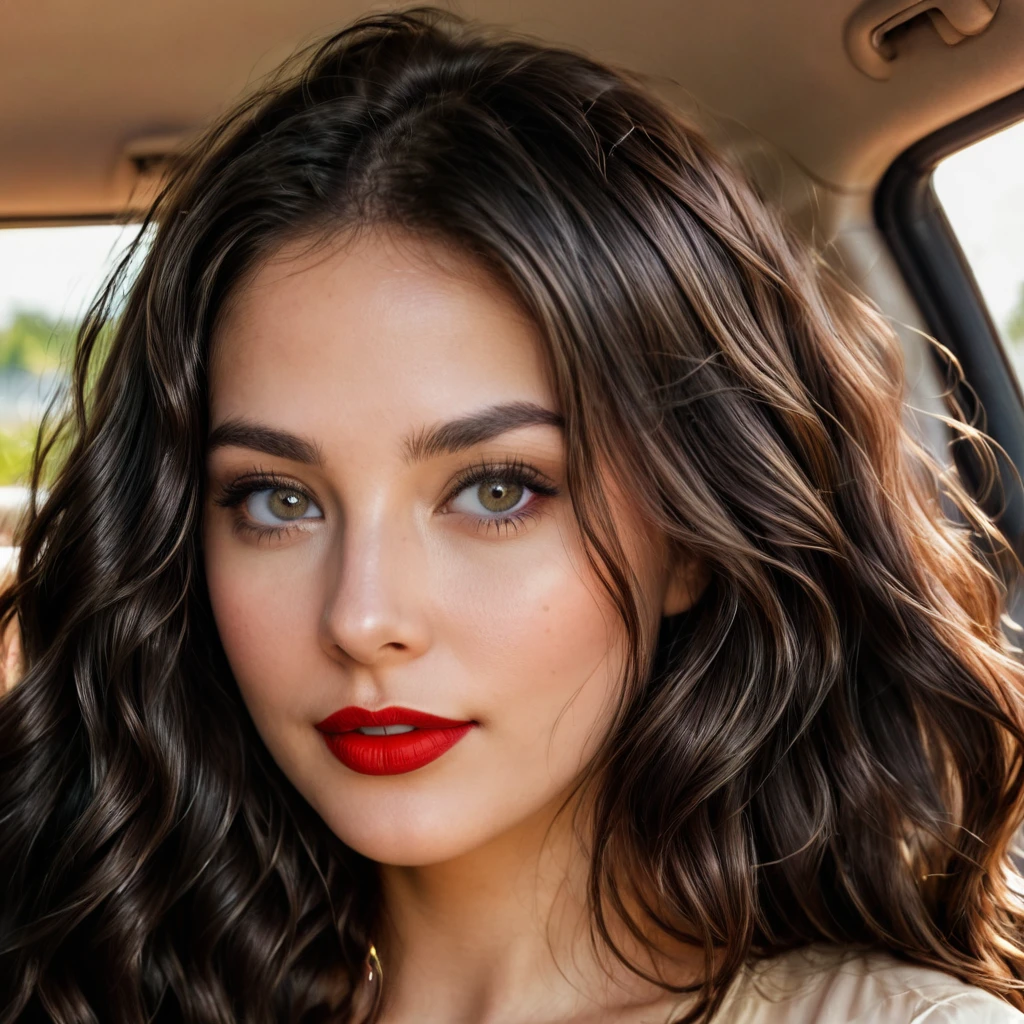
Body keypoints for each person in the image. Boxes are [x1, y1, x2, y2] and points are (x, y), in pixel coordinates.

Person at [2, 5, 1024, 1022]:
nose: (361, 619)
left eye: (497, 490)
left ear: (692, 537)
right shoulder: (95, 992)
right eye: (279, 500)